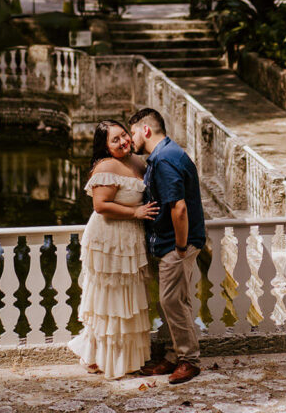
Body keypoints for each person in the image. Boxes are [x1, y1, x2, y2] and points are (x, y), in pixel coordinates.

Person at [68, 120, 159, 379]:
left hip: (129, 237)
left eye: (123, 136)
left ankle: (126, 358)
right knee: (110, 299)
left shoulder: (138, 162)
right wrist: (136, 211)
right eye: (114, 140)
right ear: (106, 147)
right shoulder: (106, 166)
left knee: (128, 299)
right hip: (109, 238)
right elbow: (100, 205)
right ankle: (100, 356)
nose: (122, 142)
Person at [129, 107, 206, 385]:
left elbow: (179, 208)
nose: (131, 139)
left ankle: (189, 360)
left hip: (176, 243)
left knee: (171, 301)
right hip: (171, 243)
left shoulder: (164, 160)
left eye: (133, 133)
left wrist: (182, 247)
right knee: (176, 302)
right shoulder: (167, 154)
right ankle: (174, 355)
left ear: (146, 130)